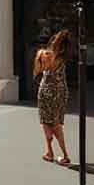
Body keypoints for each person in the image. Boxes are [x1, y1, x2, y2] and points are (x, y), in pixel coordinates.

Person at [33, 30, 73, 166]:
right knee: (57, 122)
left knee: (46, 121)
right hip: (61, 92)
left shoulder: (44, 55)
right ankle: (59, 153)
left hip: (46, 91)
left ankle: (53, 152)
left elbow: (37, 70)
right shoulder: (62, 58)